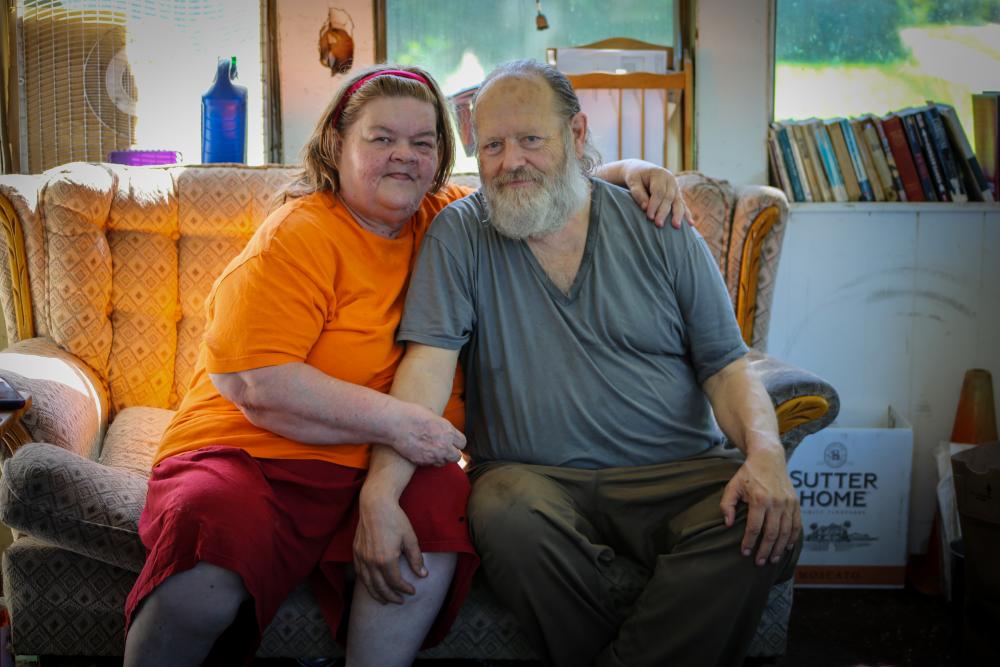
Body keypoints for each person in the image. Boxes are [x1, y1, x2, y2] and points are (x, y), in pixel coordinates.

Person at [122, 63, 689, 667]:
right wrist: (401, 424)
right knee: (211, 536)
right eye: (382, 138)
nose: (404, 156)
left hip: (384, 460)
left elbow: (536, 178)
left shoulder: (446, 220)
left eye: (423, 143)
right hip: (256, 452)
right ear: (337, 144)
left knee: (440, 499)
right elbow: (258, 385)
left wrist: (633, 172)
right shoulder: (298, 234)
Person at [361, 59, 802, 667]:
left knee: (764, 523)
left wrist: (766, 453)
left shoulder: (662, 226)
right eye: (492, 144)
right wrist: (380, 494)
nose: (510, 160)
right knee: (499, 509)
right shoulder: (458, 235)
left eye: (531, 139)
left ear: (575, 136)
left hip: (674, 473)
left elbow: (727, 366)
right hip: (534, 481)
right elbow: (425, 373)